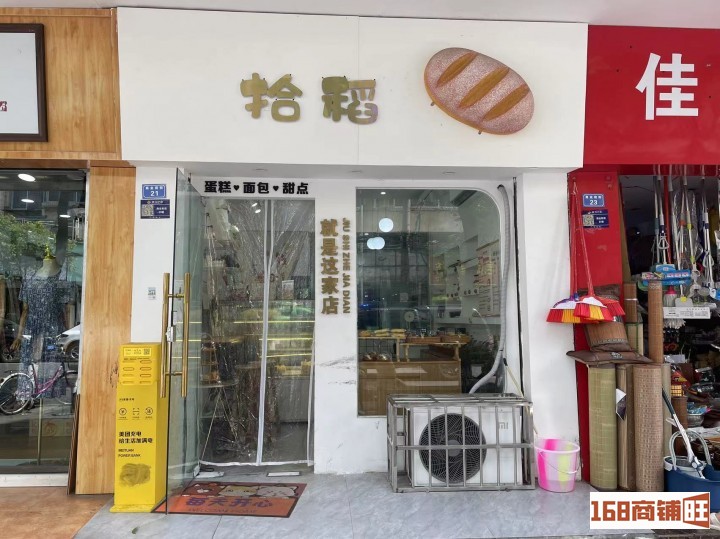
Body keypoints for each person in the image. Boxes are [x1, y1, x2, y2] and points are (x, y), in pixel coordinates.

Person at [10, 249, 75, 397]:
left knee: (38, 361)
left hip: (38, 327)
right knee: (45, 361)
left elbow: (25, 310)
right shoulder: (61, 278)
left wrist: (20, 336)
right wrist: (19, 336)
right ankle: (42, 393)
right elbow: (66, 310)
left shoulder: (31, 279)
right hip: (50, 327)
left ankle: (28, 393)